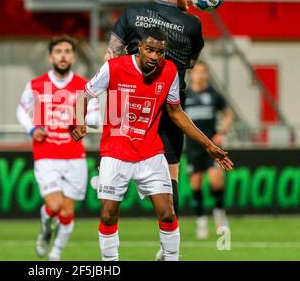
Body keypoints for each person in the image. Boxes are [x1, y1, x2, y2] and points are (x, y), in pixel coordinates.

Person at [71, 27, 233, 261]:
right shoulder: (114, 68)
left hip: (150, 153)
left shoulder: (169, 72)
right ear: (139, 47)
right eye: (150, 50)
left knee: (167, 213)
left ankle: (171, 257)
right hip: (116, 152)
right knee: (108, 215)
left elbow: (176, 113)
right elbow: (83, 95)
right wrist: (79, 121)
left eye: (160, 52)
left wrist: (208, 144)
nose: (155, 57)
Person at [104, 0, 203, 259]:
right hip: (170, 106)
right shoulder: (192, 24)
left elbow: (111, 55)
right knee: (171, 174)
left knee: (115, 175)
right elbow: (193, 62)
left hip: (131, 103)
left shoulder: (132, 12)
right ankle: (168, 249)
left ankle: (114, 253)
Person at [17, 35, 100, 261]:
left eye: (67, 51)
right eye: (58, 51)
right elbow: (22, 110)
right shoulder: (36, 85)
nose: (62, 55)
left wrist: (85, 120)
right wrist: (32, 129)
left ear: (73, 57)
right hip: (46, 153)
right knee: (54, 206)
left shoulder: (84, 86)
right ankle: (45, 230)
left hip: (74, 155)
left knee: (67, 211)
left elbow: (94, 114)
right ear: (50, 57)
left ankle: (55, 254)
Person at [185, 61, 234, 239]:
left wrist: (222, 132)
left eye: (204, 71)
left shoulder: (213, 95)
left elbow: (228, 113)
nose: (201, 74)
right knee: (196, 184)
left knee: (216, 181)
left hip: (212, 147)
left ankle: (219, 212)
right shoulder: (185, 95)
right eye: (197, 71)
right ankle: (201, 221)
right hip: (192, 147)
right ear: (191, 74)